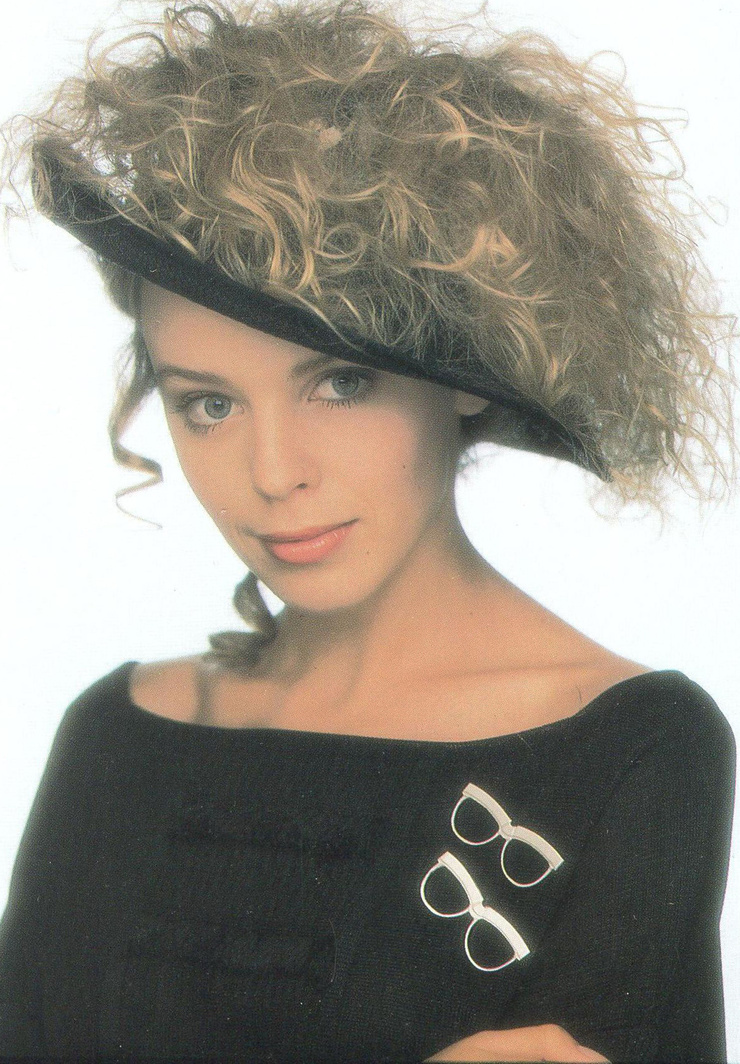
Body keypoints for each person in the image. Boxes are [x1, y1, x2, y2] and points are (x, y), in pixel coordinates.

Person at [0, 0, 736, 1059]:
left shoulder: (627, 754)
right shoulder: (113, 737)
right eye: (208, 403)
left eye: (340, 383)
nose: (273, 473)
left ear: (466, 375)